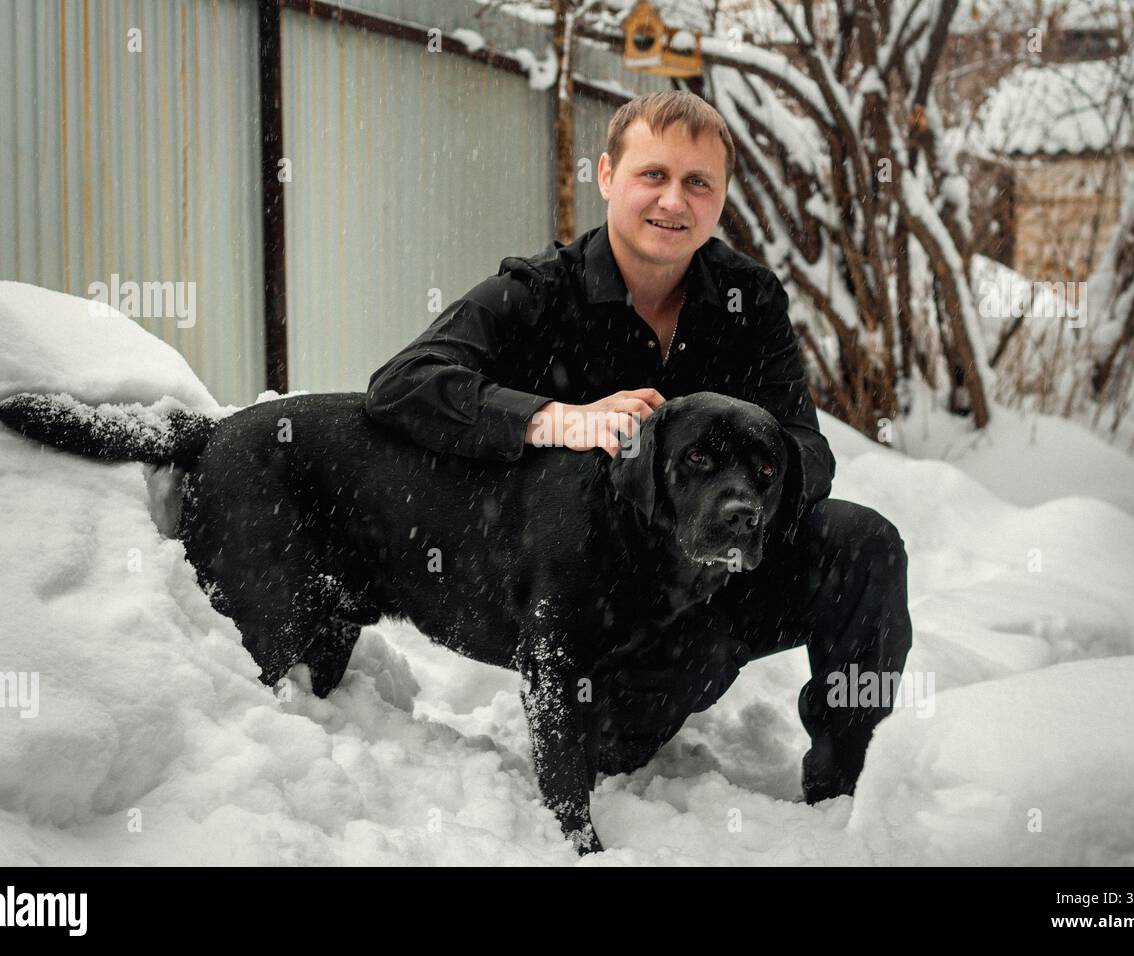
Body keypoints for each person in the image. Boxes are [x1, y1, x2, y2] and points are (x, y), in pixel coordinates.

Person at [365, 90, 911, 808]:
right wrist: (554, 417)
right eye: (652, 175)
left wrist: (755, 488)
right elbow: (402, 385)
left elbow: (811, 448)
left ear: (720, 199)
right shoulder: (538, 294)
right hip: (601, 601)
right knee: (644, 714)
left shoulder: (749, 299)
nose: (673, 201)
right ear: (607, 176)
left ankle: (848, 789)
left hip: (724, 576)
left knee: (863, 543)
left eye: (698, 183)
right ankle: (630, 715)